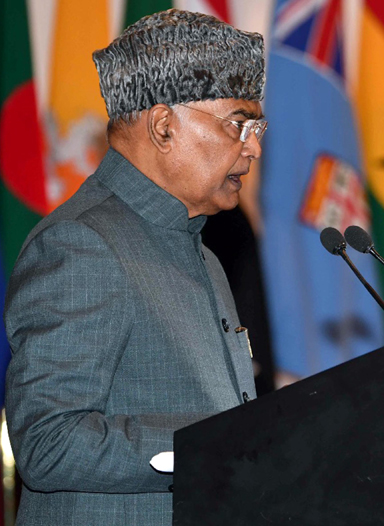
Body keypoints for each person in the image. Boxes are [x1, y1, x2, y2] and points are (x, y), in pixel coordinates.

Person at [3, 9, 266, 525]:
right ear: (164, 125)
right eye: (239, 123)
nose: (253, 147)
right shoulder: (81, 244)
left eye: (257, 127)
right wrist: (209, 444)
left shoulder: (206, 257)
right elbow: (47, 441)